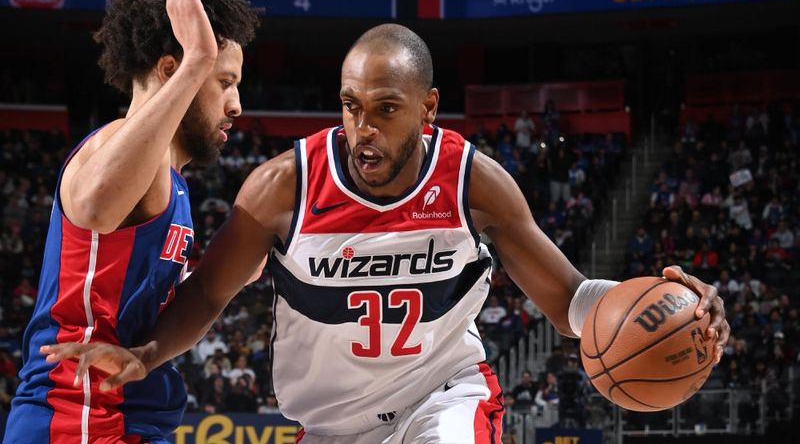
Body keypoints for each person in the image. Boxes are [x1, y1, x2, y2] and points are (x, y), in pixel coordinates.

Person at [43, 24, 729, 443]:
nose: (362, 129)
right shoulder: (286, 185)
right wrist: (148, 352)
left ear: (428, 108)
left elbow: (573, 300)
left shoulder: (473, 182)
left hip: (442, 399)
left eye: (386, 110)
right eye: (350, 107)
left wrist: (670, 310)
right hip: (329, 427)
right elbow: (210, 293)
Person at [5, 0, 259, 443]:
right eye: (225, 82)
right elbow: (98, 208)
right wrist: (197, 63)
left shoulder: (172, 180)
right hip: (76, 416)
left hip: (128, 416)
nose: (237, 104)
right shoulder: (112, 145)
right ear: (170, 69)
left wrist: (220, 278)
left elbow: (186, 302)